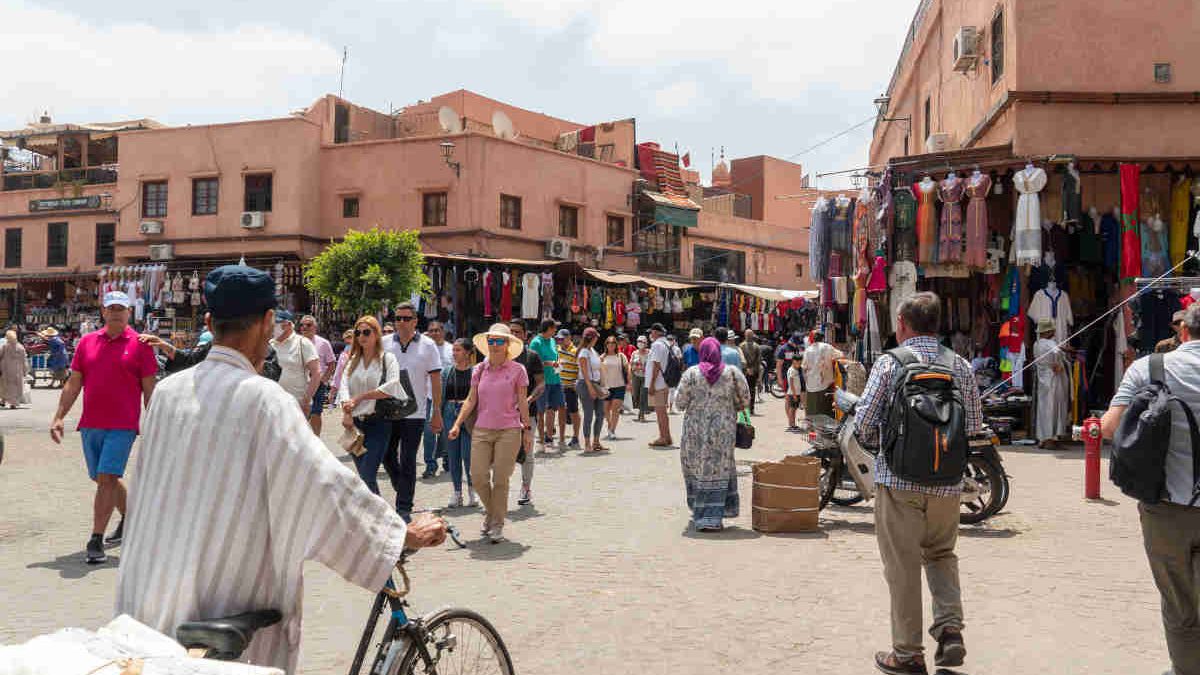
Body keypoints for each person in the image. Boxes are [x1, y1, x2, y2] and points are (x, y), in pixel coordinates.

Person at [115, 265, 446, 674]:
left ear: (208, 322)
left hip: (149, 595)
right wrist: (398, 535)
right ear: (269, 322)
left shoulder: (167, 393)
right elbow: (322, 485)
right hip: (225, 600)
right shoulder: (264, 400)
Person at [854, 292, 982, 675]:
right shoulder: (959, 365)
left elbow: (863, 424)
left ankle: (908, 654)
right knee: (941, 555)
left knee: (903, 566)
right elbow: (972, 427)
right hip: (947, 483)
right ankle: (950, 630)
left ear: (904, 324)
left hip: (899, 481)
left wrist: (884, 446)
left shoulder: (890, 364)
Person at [1101, 303, 1200, 675]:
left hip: (1165, 507)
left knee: (1179, 605)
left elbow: (1110, 427)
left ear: (1183, 332)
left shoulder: (1148, 368)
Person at [50, 291, 157, 564]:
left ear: (129, 313)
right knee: (100, 478)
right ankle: (134, 519)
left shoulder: (141, 345)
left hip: (123, 425)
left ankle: (95, 539)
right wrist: (59, 416)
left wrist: (156, 424)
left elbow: (150, 390)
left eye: (122, 308)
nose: (117, 313)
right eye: (112, 308)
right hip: (91, 424)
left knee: (107, 478)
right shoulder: (86, 342)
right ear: (104, 312)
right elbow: (74, 383)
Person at [447, 323, 530, 543]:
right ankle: (493, 513)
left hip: (509, 429)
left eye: (499, 341)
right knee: (478, 476)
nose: (494, 345)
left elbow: (522, 401)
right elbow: (471, 399)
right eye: (491, 341)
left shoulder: (517, 370)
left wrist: (528, 431)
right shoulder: (479, 369)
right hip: (482, 429)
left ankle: (496, 524)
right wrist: (457, 424)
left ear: (507, 344)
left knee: (501, 479)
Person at [675, 337, 750, 531]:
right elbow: (746, 399)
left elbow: (679, 403)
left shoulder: (691, 374)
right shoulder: (733, 373)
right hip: (723, 431)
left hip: (695, 432)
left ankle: (701, 514)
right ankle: (716, 515)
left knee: (698, 469)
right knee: (720, 469)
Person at [383, 302, 443, 520]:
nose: (401, 323)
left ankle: (404, 507)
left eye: (406, 318)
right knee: (386, 454)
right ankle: (402, 487)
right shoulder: (384, 343)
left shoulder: (428, 345)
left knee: (408, 459)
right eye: (397, 318)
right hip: (388, 411)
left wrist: (436, 411)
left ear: (416, 321)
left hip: (415, 412)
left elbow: (436, 381)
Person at [336, 316, 404, 496]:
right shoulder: (352, 361)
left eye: (367, 332)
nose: (361, 336)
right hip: (356, 426)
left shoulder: (387, 359)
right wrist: (347, 411)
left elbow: (392, 386)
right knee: (365, 479)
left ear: (376, 334)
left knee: (367, 475)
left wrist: (360, 398)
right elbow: (343, 387)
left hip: (378, 424)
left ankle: (383, 516)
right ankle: (379, 517)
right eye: (358, 332)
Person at [508, 320, 544, 506]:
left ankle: (526, 487)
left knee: (527, 452)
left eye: (517, 332)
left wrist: (527, 401)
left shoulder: (532, 356)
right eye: (510, 331)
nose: (513, 335)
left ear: (524, 335)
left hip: (527, 413)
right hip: (503, 414)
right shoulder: (500, 356)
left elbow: (540, 384)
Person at [442, 338, 479, 508]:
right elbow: (440, 396)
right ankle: (457, 492)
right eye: (454, 350)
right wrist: (436, 417)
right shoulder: (447, 372)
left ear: (467, 352)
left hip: (470, 415)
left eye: (458, 350)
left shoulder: (476, 372)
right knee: (453, 455)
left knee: (468, 455)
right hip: (450, 412)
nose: (454, 353)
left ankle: (472, 490)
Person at [270, 310, 321, 417]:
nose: (274, 327)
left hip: (296, 404)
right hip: (272, 404)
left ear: (288, 325)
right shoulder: (270, 344)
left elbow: (316, 373)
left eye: (277, 324)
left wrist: (306, 400)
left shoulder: (302, 343)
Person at [421, 320, 454, 478]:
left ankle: (448, 459)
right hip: (428, 397)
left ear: (443, 331)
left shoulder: (451, 349)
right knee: (428, 433)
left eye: (437, 330)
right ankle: (430, 464)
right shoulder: (423, 350)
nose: (434, 333)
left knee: (446, 431)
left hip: (447, 397)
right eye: (431, 330)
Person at [1032, 317, 1070, 449]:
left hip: (1043, 378)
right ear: (1049, 331)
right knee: (1054, 408)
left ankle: (1042, 438)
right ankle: (1051, 438)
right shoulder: (1050, 343)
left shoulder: (1036, 344)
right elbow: (1057, 352)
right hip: (1053, 378)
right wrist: (1057, 363)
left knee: (1043, 408)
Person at [528, 319, 565, 449]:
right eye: (554, 328)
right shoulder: (536, 342)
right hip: (542, 382)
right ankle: (541, 442)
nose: (555, 331)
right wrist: (548, 363)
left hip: (555, 379)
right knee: (540, 411)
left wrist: (557, 363)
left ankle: (550, 438)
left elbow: (555, 357)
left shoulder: (553, 341)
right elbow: (532, 363)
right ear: (548, 328)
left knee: (553, 409)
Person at [299, 315, 336, 435]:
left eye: (308, 325)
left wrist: (323, 380)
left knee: (315, 413)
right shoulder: (296, 342)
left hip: (318, 384)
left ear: (315, 327)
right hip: (300, 383)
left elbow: (331, 364)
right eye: (302, 325)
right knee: (299, 414)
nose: (305, 327)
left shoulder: (323, 343)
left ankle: (316, 440)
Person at [575, 327, 608, 452]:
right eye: (596, 337)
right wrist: (590, 388)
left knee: (600, 414)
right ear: (592, 338)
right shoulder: (584, 352)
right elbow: (584, 372)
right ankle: (587, 443)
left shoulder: (592, 350)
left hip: (596, 383)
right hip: (586, 384)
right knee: (588, 414)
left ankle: (596, 441)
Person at [802, 330, 842, 420]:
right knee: (825, 410)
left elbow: (804, 367)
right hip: (825, 383)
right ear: (823, 339)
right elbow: (840, 355)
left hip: (811, 384)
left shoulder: (808, 350)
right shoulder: (827, 347)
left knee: (813, 410)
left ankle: (812, 429)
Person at [646, 323, 674, 447]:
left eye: (651, 332)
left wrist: (651, 384)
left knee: (660, 412)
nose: (650, 335)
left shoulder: (657, 345)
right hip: (664, 382)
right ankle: (667, 436)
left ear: (656, 332)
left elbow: (656, 366)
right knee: (663, 412)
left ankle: (663, 437)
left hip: (658, 383)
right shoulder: (666, 344)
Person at [600, 335, 629, 441]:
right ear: (606, 345)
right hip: (606, 387)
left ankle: (612, 430)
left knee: (615, 409)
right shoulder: (602, 357)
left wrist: (629, 384)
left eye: (613, 343)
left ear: (616, 345)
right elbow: (598, 371)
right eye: (609, 343)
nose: (611, 345)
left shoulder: (621, 356)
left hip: (619, 385)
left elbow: (627, 369)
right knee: (606, 410)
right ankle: (610, 426)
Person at [556, 329, 582, 448]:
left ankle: (575, 437)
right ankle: (561, 438)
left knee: (574, 412)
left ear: (569, 338)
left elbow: (580, 370)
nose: (560, 341)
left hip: (570, 387)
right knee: (560, 412)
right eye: (559, 339)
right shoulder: (557, 350)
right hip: (558, 386)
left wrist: (576, 383)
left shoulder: (575, 352)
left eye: (562, 338)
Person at [0, 330, 27, 408]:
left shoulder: (5, 346)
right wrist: (25, 370)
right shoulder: (21, 347)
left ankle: (4, 400)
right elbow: (24, 360)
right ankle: (13, 403)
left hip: (6, 370)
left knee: (5, 386)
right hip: (18, 370)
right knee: (16, 386)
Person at [739, 330, 763, 415]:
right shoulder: (743, 346)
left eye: (749, 335)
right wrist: (749, 369)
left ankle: (748, 409)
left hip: (749, 372)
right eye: (748, 335)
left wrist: (749, 369)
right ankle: (748, 409)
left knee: (748, 391)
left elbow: (758, 359)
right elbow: (758, 360)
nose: (748, 336)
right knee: (748, 391)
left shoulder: (754, 346)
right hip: (748, 372)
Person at [775, 332, 805, 397]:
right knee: (788, 398)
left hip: (798, 377)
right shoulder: (783, 349)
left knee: (797, 397)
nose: (798, 345)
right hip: (787, 377)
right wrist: (779, 379)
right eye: (797, 343)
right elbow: (779, 365)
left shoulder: (798, 349)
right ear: (792, 341)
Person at [329, 328, 355, 401]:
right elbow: (338, 373)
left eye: (350, 342)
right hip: (346, 388)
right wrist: (332, 391)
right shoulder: (343, 356)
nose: (349, 345)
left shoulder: (365, 354)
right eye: (347, 343)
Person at [630, 335, 651, 423]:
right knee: (635, 395)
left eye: (642, 342)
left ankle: (641, 413)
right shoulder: (634, 353)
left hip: (646, 377)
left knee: (643, 395)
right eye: (639, 341)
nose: (640, 343)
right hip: (635, 376)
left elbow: (653, 365)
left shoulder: (650, 353)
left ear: (646, 343)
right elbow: (630, 364)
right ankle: (639, 410)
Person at [785, 354, 805, 431]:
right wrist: (794, 395)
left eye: (800, 363)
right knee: (792, 410)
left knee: (794, 409)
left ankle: (793, 424)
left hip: (797, 393)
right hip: (792, 393)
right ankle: (791, 425)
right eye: (798, 363)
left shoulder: (797, 369)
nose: (799, 365)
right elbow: (791, 384)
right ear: (793, 361)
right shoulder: (792, 370)